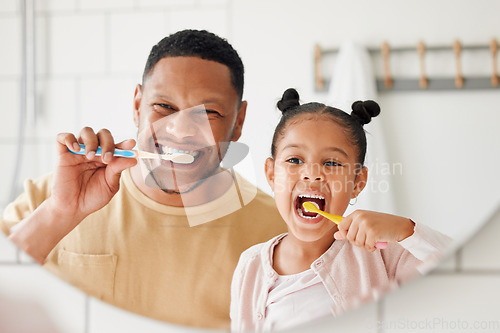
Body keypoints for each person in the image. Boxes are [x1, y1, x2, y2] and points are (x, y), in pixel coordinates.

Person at [0, 30, 287, 330]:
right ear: (138, 105)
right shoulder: (49, 199)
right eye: (164, 107)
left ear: (238, 121)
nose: (180, 130)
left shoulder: (276, 234)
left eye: (209, 112)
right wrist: (59, 213)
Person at [230, 88, 452, 332]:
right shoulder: (249, 266)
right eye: (294, 160)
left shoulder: (384, 256)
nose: (312, 173)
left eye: (331, 163)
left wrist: (404, 230)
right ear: (272, 174)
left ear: (357, 182)